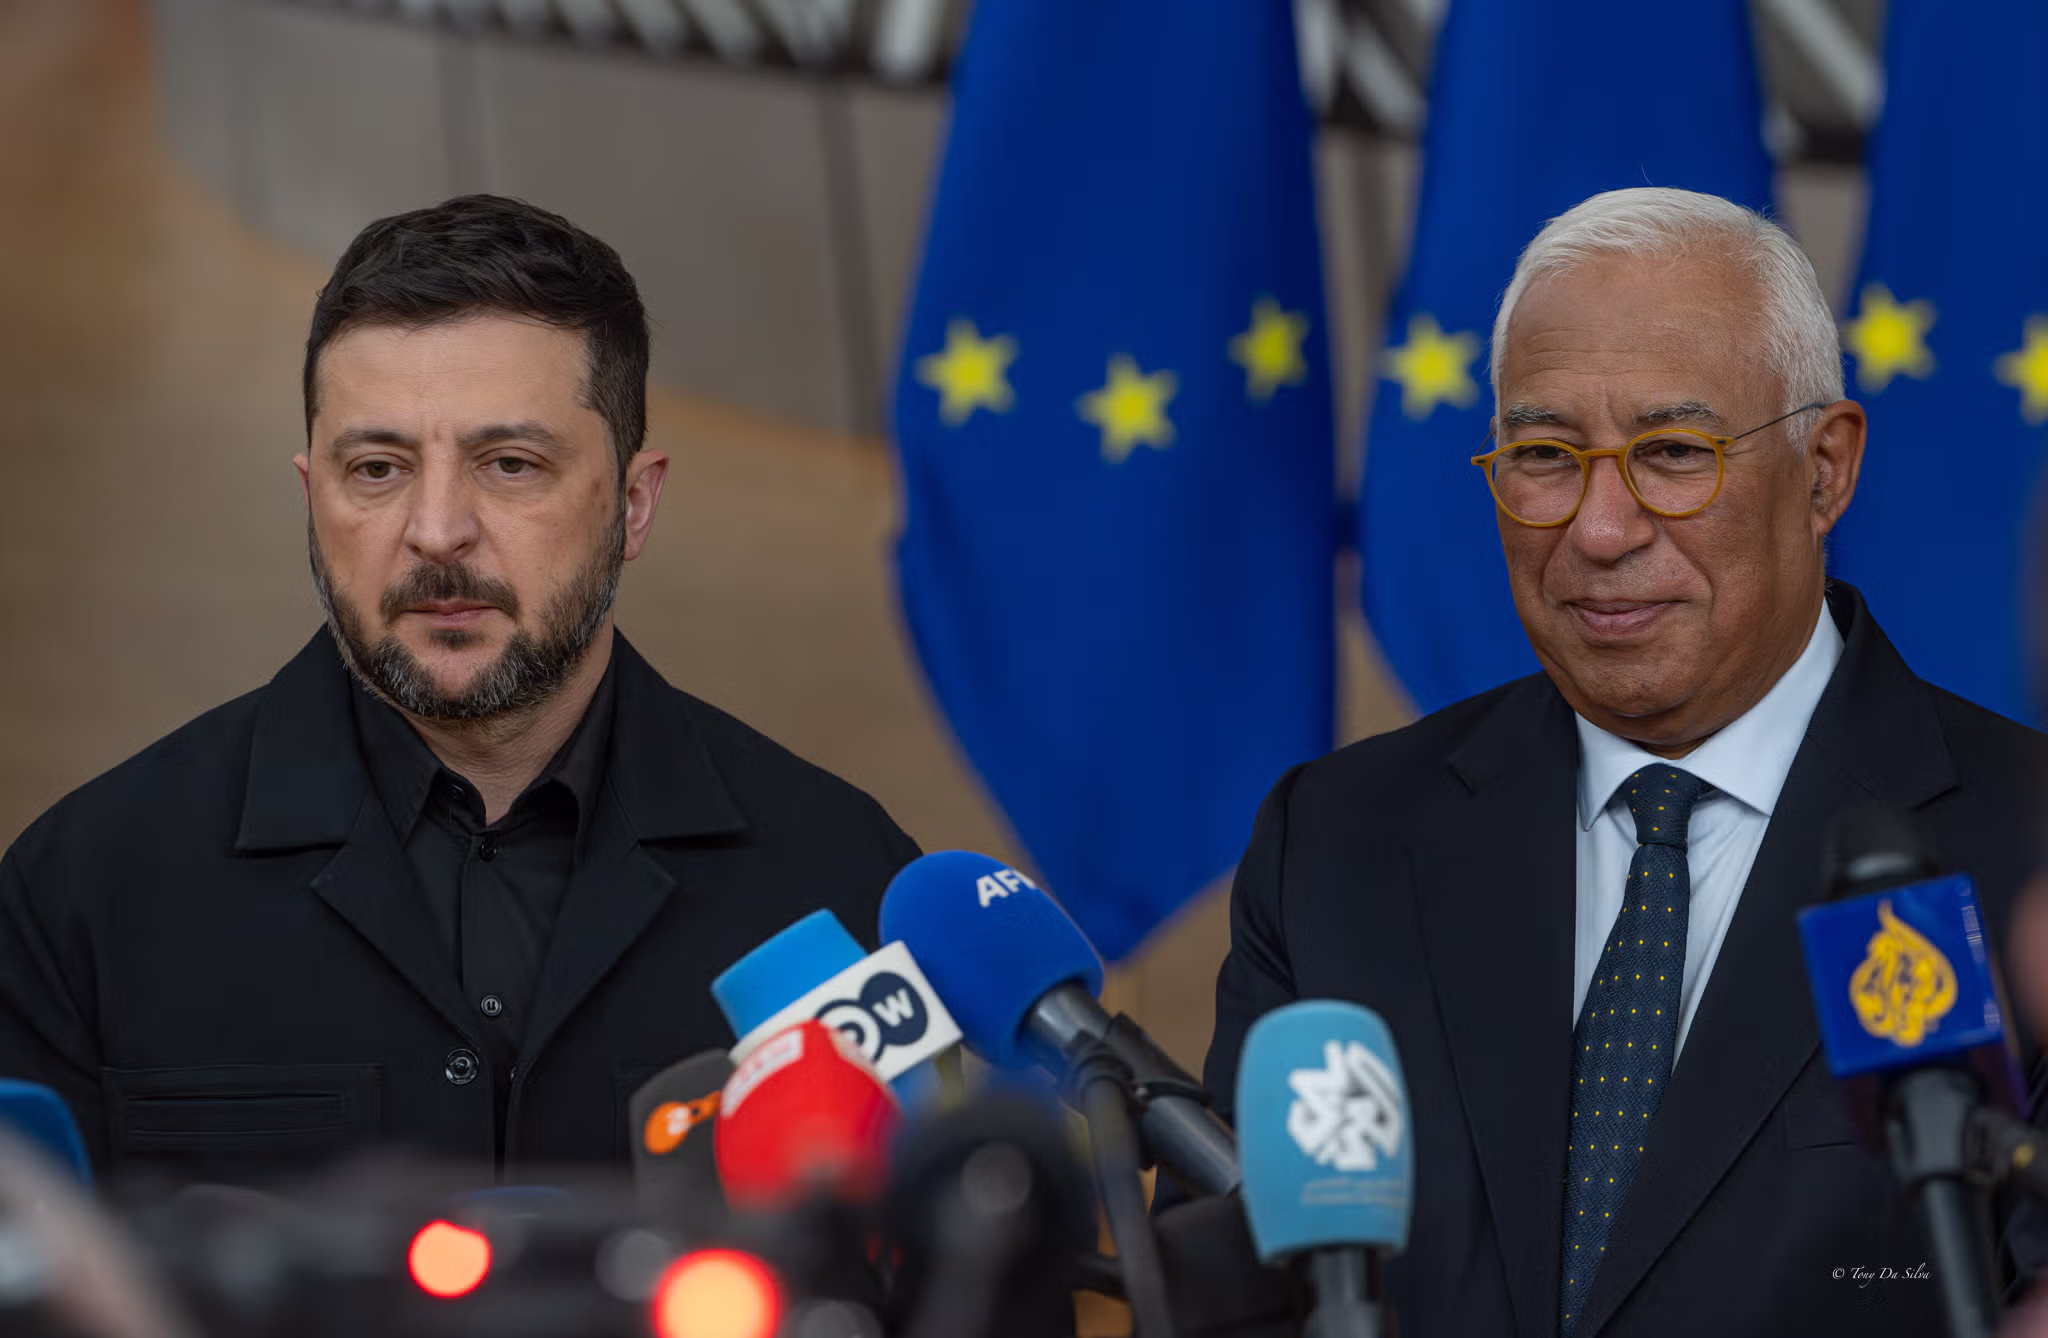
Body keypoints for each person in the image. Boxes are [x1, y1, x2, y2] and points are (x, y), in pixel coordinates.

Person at [1205, 187, 2044, 1337]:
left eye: (1670, 451)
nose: (1599, 529)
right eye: (1544, 453)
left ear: (1823, 468)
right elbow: (1227, 1299)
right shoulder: (1338, 846)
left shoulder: (2024, 855)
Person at [0, 196, 919, 1185]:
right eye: (379, 468)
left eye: (510, 465)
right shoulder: (84, 898)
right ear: (312, 497)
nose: (436, 529)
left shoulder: (839, 885)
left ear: (635, 502)